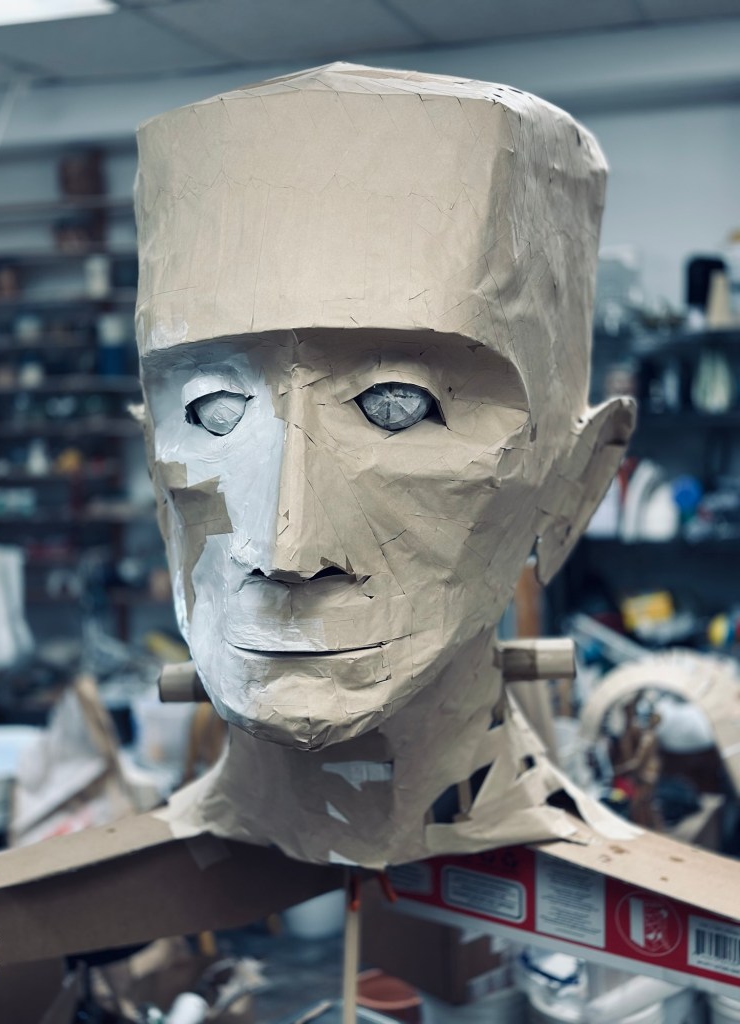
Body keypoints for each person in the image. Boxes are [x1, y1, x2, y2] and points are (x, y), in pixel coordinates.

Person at [134, 63, 636, 867]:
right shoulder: (37, 914)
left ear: (576, 482)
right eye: (214, 409)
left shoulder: (664, 916)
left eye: (397, 407)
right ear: (153, 464)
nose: (284, 550)